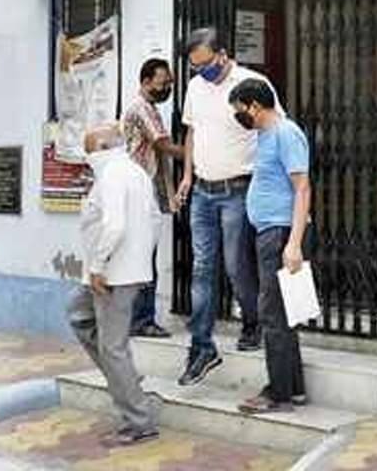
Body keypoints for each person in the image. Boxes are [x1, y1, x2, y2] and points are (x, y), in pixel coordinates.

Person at [175, 27, 282, 386]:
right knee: (202, 268)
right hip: (202, 192)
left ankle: (252, 321)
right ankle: (201, 346)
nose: (200, 71)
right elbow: (191, 133)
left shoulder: (252, 83)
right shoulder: (195, 87)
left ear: (223, 54)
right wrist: (187, 176)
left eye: (205, 64)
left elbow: (273, 129)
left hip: (238, 189)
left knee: (237, 266)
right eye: (194, 66)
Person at [67, 123, 162, 447]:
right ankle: (128, 383)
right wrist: (141, 258)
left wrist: (98, 266)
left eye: (91, 150)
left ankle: (139, 420)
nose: (88, 156)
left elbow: (115, 225)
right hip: (121, 271)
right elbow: (155, 220)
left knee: (113, 347)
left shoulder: (112, 175)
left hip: (110, 276)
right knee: (78, 316)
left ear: (107, 146)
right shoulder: (135, 173)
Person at [228, 78, 311, 414]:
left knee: (272, 314)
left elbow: (302, 188)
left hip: (280, 234)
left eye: (240, 111)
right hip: (269, 231)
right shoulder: (264, 135)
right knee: (282, 313)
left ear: (255, 106)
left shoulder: (285, 133)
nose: (239, 117)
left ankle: (277, 393)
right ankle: (293, 388)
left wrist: (293, 244)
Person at [121, 58, 184, 339]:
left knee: (144, 255)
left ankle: (139, 318)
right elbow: (161, 144)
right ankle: (142, 319)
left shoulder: (150, 108)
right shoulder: (141, 108)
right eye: (163, 82)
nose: (167, 87)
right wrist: (195, 154)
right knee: (144, 257)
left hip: (149, 191)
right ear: (146, 81)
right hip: (141, 192)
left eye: (169, 83)